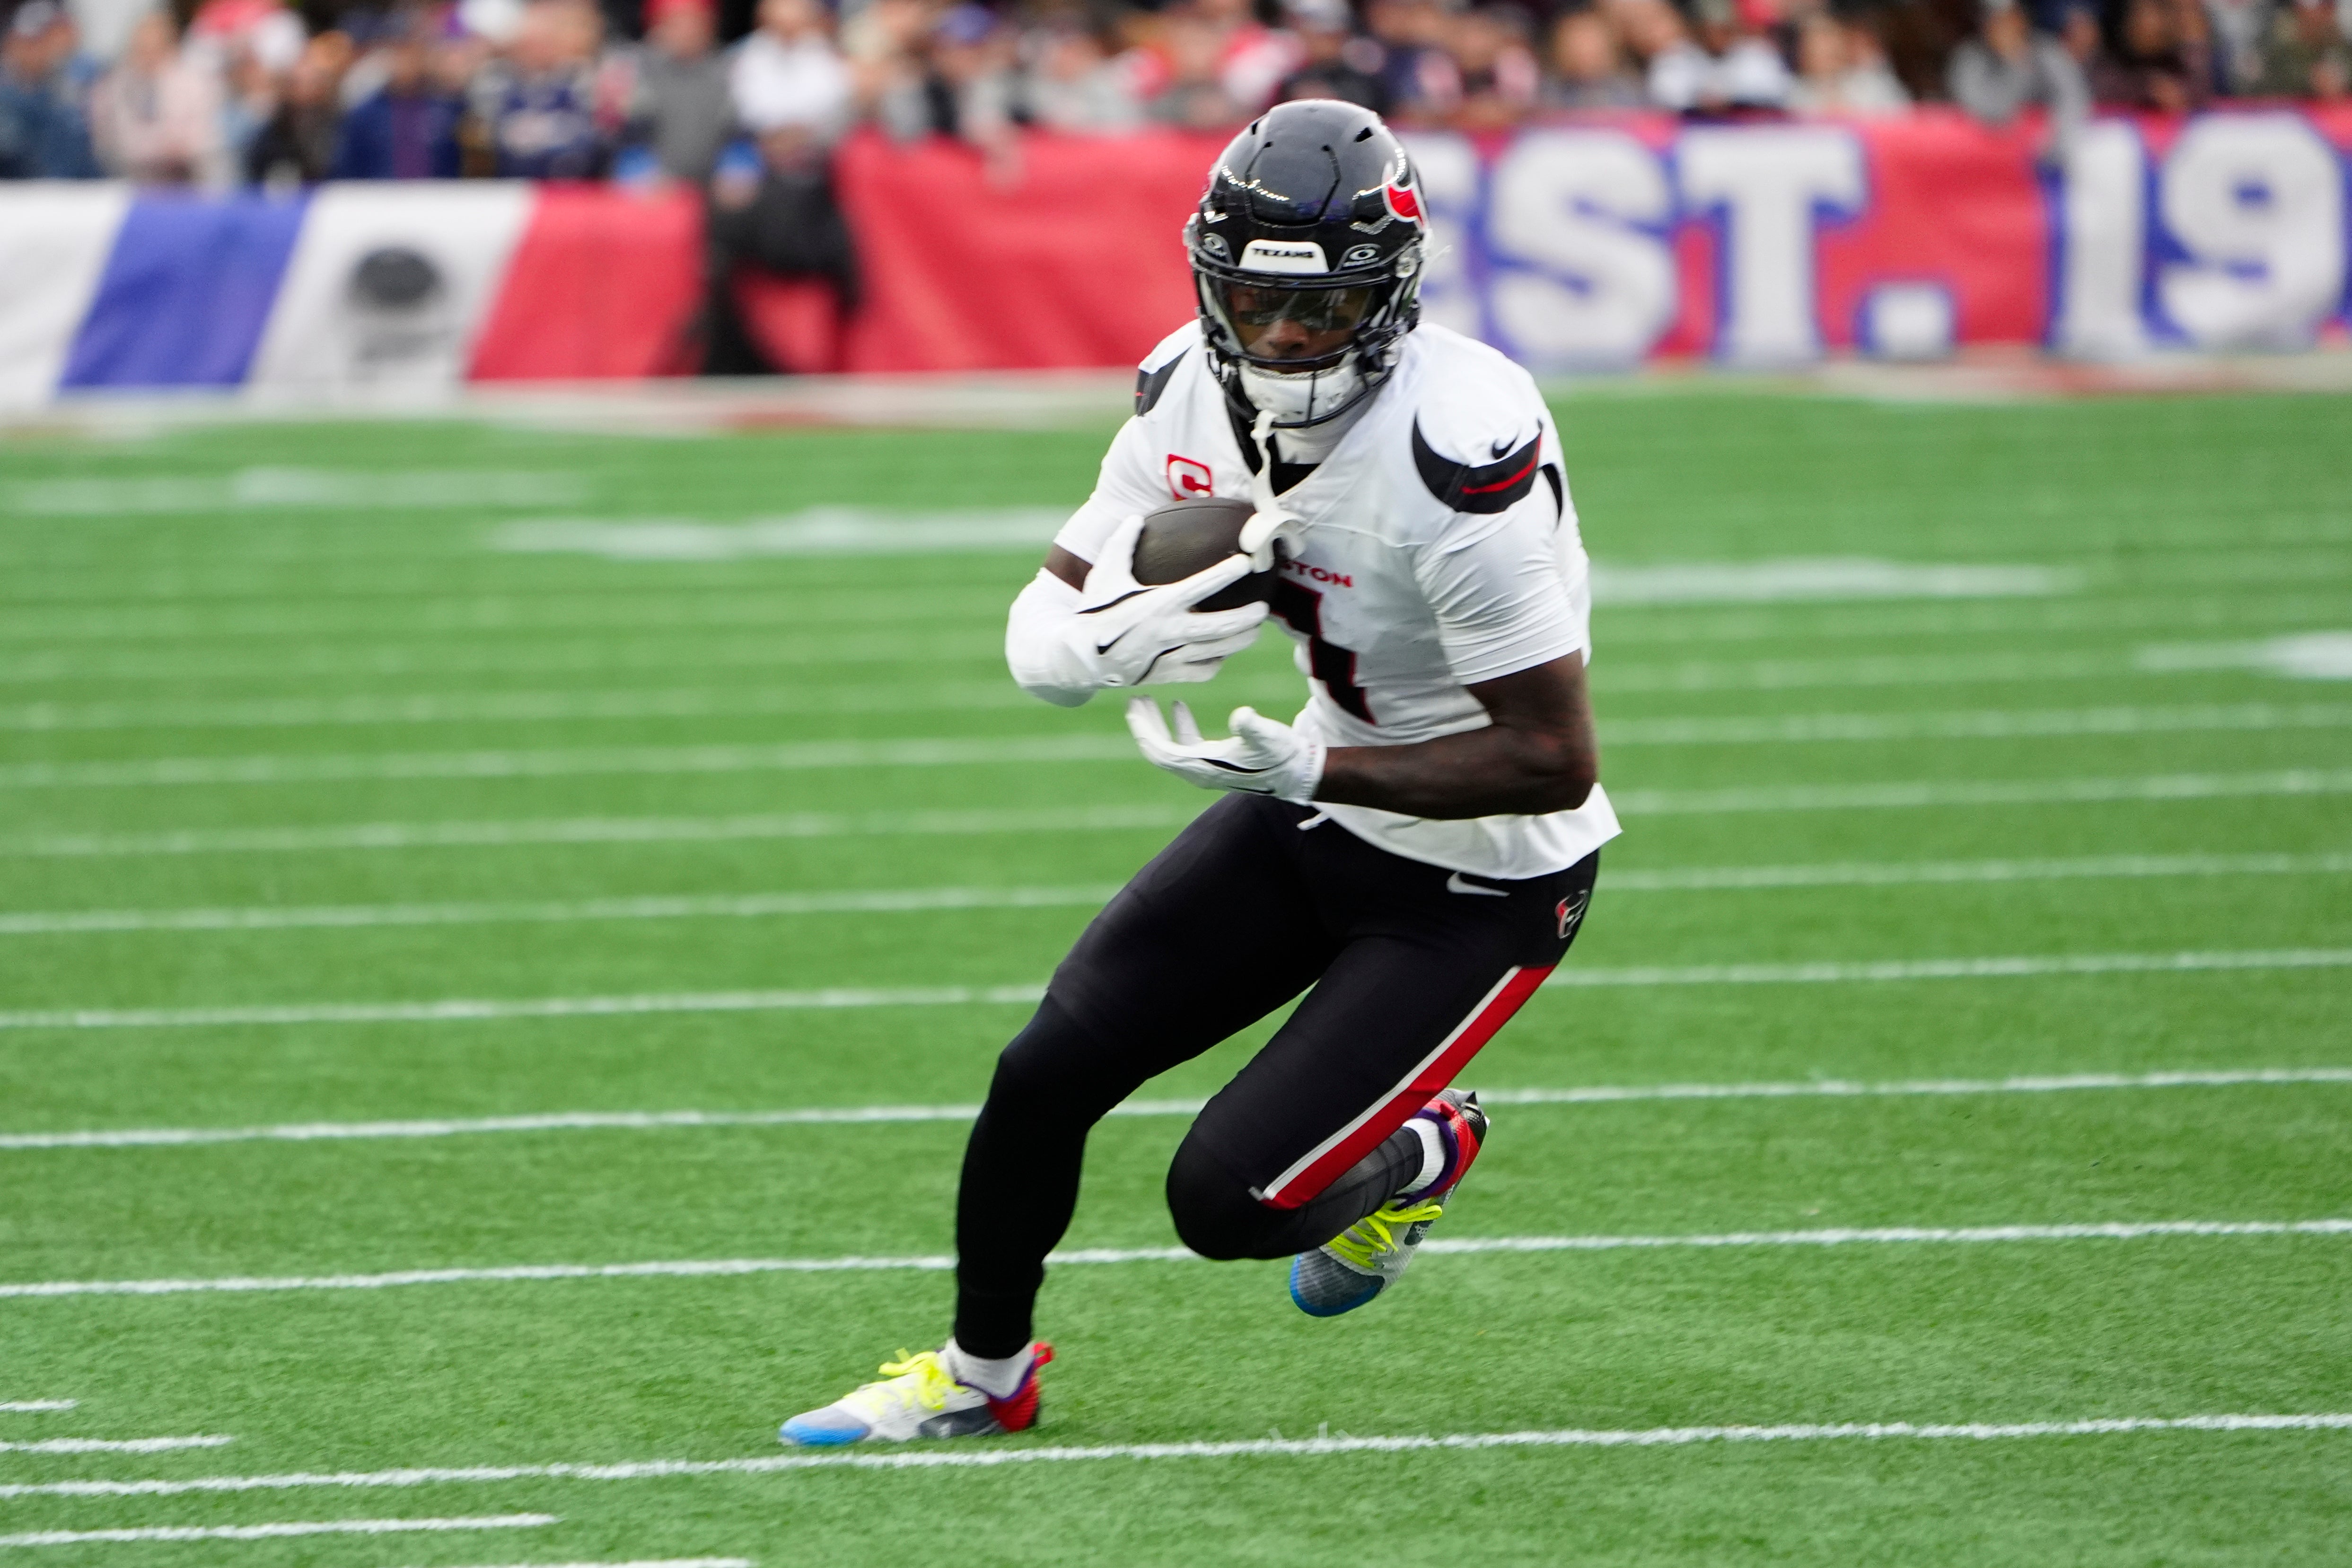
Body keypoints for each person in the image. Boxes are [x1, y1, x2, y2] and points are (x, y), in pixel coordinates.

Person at [780, 97, 1616, 1448]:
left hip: (1478, 875)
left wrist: (1318, 764)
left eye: (1321, 311)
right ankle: (984, 1375)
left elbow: (1550, 757)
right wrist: (1094, 648)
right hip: (1307, 802)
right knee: (1041, 1071)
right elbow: (1052, 601)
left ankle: (1422, 1149)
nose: (1281, 340)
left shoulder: (1456, 441)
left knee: (1226, 1204)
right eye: (1253, 302)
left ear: (1389, 297)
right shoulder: (1185, 378)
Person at [89, 8, 229, 185]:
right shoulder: (114, 86)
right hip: (131, 180)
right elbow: (112, 142)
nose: (148, 57)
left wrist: (179, 148)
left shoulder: (197, 83)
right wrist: (158, 148)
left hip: (191, 178)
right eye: (142, 48)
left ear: (170, 46)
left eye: (155, 48)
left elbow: (210, 136)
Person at [332, 12, 464, 177]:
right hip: (380, 198)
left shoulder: (448, 109)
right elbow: (347, 169)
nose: (406, 62)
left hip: (438, 198)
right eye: (399, 53)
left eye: (412, 53)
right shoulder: (365, 115)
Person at [1948, 0, 2087, 154]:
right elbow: (1990, 113)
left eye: (2010, 18)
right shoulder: (1970, 59)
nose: (2004, 27)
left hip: (2044, 154)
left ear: (2022, 20)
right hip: (1986, 156)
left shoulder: (2046, 52)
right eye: (1995, 20)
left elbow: (2074, 97)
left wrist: (2054, 139)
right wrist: (2014, 63)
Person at [619, 0, 731, 182]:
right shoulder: (635, 70)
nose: (687, 32)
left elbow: (736, 132)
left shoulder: (728, 71)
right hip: (656, 185)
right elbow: (629, 136)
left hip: (713, 183)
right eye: (675, 24)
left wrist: (735, 168)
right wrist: (641, 170)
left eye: (695, 23)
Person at [0, 0, 101, 179]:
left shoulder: (82, 75)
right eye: (30, 43)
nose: (37, 51)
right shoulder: (9, 94)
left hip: (77, 188)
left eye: (44, 41)